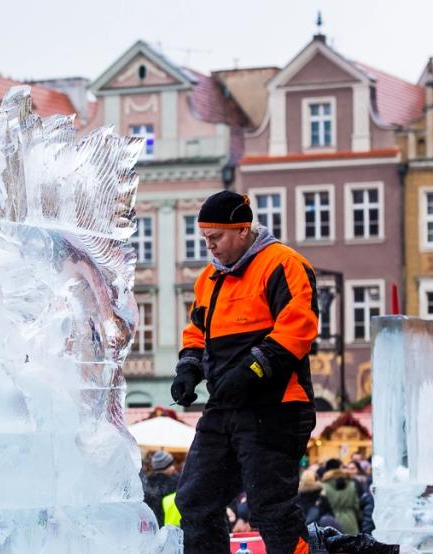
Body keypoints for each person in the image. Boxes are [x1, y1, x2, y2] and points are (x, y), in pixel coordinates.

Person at [171, 190, 318, 553]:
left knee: (272, 509)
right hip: (225, 406)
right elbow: (197, 332)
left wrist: (251, 371)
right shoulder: (208, 279)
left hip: (277, 406)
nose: (209, 245)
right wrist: (188, 368)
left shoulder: (283, 264)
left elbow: (297, 329)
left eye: (216, 237)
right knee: (194, 501)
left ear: (242, 229)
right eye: (204, 237)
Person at [320, 462, 361, 535]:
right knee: (352, 540)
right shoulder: (351, 485)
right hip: (350, 520)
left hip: (331, 521)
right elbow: (356, 505)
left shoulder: (324, 486)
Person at [143, 451, 178, 524]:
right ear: (166, 466)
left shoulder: (146, 482)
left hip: (151, 524)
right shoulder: (174, 483)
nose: (173, 467)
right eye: (171, 464)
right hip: (168, 524)